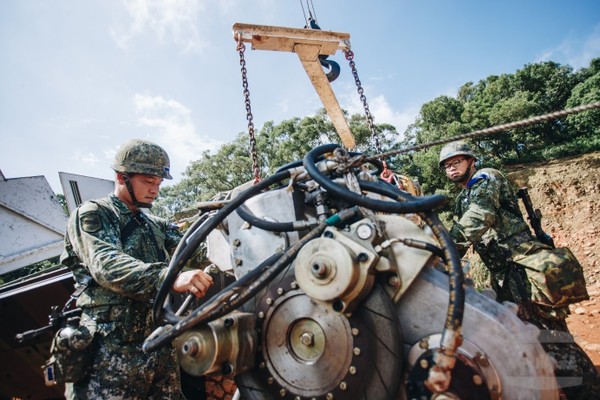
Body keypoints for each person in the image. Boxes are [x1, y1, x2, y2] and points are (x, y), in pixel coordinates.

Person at [440, 141, 599, 400]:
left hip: (522, 266)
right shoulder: (461, 200)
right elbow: (467, 239)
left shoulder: (486, 177)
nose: (452, 168)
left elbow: (480, 216)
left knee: (553, 338)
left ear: (471, 161)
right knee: (521, 339)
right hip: (502, 275)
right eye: (447, 165)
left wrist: (444, 246)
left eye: (456, 161)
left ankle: (586, 393)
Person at [60, 138, 213, 399]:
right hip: (110, 349)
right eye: (148, 182)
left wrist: (237, 221)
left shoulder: (156, 224)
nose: (155, 190)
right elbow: (106, 265)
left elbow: (197, 251)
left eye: (159, 184)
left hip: (156, 343)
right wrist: (168, 277)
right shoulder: (94, 214)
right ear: (122, 178)